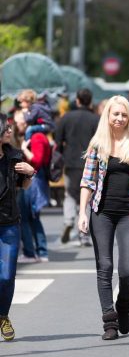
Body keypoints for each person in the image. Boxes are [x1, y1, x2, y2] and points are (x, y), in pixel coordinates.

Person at [78, 95, 129, 340]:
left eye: (124, 115)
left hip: (128, 212)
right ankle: (109, 321)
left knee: (127, 270)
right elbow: (87, 180)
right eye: (116, 114)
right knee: (104, 267)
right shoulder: (98, 143)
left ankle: (123, 304)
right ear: (108, 116)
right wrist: (82, 213)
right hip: (101, 212)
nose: (120, 118)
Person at [0, 113, 35, 341]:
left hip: (9, 224)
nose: (10, 131)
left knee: (7, 276)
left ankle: (3, 316)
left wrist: (30, 173)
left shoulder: (14, 156)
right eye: (6, 128)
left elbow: (24, 186)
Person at [55, 88, 99, 245]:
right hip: (91, 163)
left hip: (71, 162)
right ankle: (84, 234)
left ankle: (68, 221)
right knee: (87, 196)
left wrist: (62, 155)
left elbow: (58, 140)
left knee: (70, 194)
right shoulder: (96, 119)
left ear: (77, 100)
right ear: (90, 101)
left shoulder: (66, 117)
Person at [14, 110, 51, 263]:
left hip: (34, 180)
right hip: (35, 179)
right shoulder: (36, 135)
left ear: (26, 121)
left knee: (27, 217)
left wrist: (24, 149)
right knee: (32, 217)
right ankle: (40, 252)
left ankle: (32, 253)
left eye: (18, 121)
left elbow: (36, 160)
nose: (16, 125)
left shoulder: (36, 137)